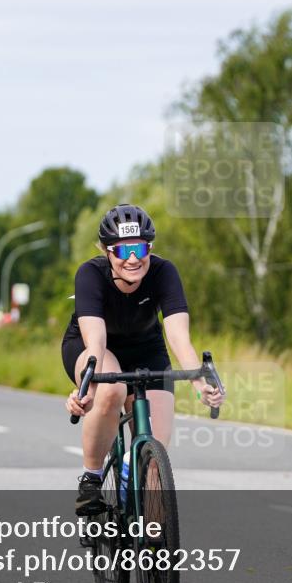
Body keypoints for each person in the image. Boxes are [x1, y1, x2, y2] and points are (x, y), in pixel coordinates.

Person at [63, 204, 225, 516]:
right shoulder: (90, 275)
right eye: (123, 250)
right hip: (95, 348)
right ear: (108, 252)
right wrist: (88, 391)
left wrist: (199, 383)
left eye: (140, 247)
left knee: (154, 458)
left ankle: (152, 546)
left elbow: (178, 337)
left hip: (146, 348)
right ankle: (91, 479)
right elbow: (95, 342)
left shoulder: (164, 272)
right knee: (111, 390)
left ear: (149, 246)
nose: (133, 258)